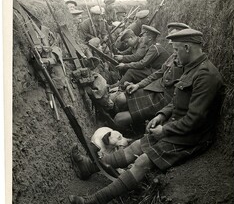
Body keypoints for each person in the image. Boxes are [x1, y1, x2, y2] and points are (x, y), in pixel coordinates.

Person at [69, 28, 225, 204]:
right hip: (179, 127)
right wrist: (160, 115)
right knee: (136, 146)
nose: (174, 55)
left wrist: (164, 130)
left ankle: (92, 201)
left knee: (142, 161)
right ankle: (88, 167)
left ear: (187, 48)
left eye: (176, 50)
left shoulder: (206, 76)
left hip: (192, 137)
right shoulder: (191, 68)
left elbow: (194, 119)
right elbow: (177, 101)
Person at [112, 23, 188, 128]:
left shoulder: (155, 48)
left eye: (143, 36)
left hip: (162, 96)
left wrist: (125, 64)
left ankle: (133, 125)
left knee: (120, 116)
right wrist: (138, 85)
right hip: (156, 86)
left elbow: (143, 63)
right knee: (120, 99)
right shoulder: (172, 56)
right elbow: (160, 72)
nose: (141, 38)